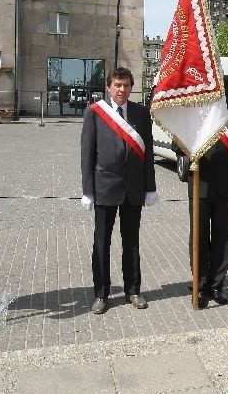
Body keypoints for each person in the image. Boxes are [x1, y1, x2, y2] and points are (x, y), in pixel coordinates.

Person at [80, 67, 158, 315]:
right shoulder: (95, 113)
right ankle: (101, 294)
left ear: (131, 87)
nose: (121, 89)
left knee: (131, 242)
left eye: (126, 85)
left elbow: (148, 155)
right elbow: (87, 154)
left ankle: (133, 290)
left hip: (133, 188)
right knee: (101, 243)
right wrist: (87, 190)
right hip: (104, 186)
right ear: (109, 87)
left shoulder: (141, 113)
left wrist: (150, 187)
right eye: (117, 85)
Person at [187, 99, 228, 308]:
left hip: (225, 184)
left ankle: (216, 285)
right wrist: (189, 154)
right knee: (200, 236)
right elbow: (177, 143)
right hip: (201, 184)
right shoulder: (192, 107)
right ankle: (200, 284)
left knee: (223, 237)